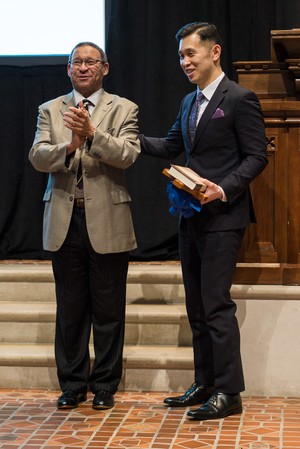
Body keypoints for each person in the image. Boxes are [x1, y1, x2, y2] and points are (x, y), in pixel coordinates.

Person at [139, 22, 268, 420]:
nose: (184, 62)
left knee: (216, 306)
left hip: (224, 218)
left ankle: (230, 392)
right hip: (190, 218)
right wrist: (128, 140)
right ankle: (205, 382)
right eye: (180, 55)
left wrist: (223, 189)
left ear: (214, 52)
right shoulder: (188, 102)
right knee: (196, 307)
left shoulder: (241, 98)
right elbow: (171, 145)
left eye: (190, 53)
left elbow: (257, 156)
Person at [29, 42, 140, 410]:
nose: (83, 68)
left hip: (108, 217)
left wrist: (92, 134)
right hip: (65, 218)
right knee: (71, 309)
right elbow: (37, 156)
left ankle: (105, 385)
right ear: (68, 69)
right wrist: (69, 146)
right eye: (76, 62)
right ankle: (73, 384)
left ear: (104, 68)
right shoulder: (49, 109)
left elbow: (128, 155)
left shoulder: (124, 107)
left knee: (109, 309)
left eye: (90, 62)